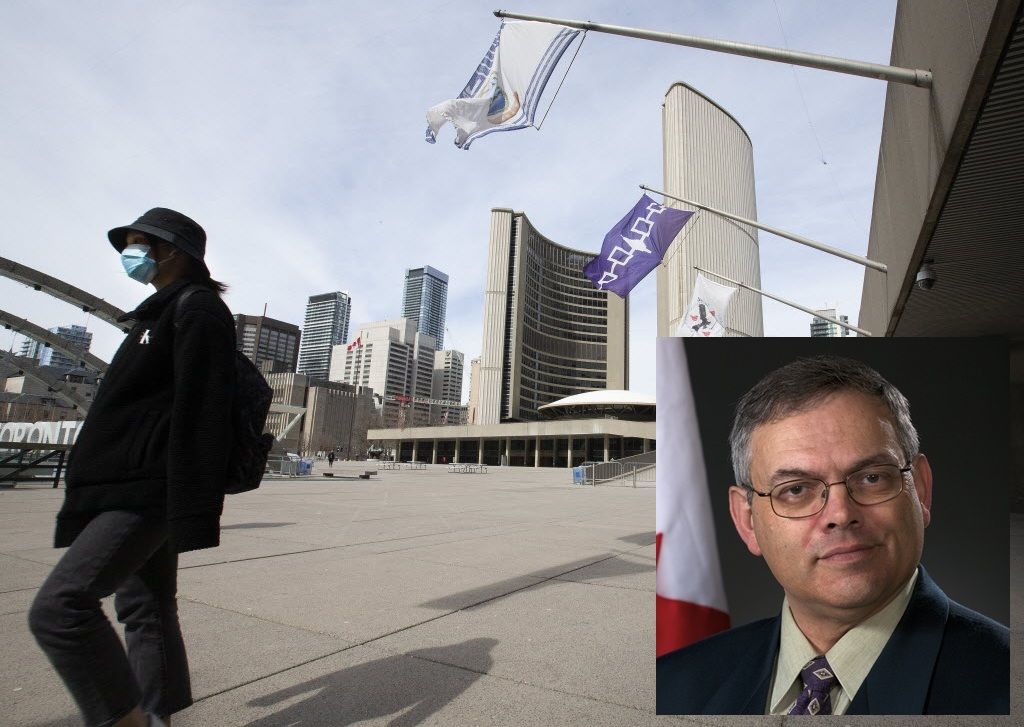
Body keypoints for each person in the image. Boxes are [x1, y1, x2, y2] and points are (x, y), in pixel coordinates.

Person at [657, 355, 1009, 715]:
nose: (840, 514)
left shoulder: (1004, 682)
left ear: (920, 489)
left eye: (872, 477)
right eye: (796, 490)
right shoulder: (673, 685)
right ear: (747, 520)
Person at [28, 208, 236, 727]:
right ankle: (159, 713)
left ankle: (128, 720)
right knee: (146, 607)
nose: (133, 253)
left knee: (61, 609)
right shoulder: (154, 315)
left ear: (176, 252)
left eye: (144, 243)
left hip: (146, 488)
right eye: (132, 243)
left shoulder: (198, 309)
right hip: (131, 482)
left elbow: (206, 409)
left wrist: (190, 500)